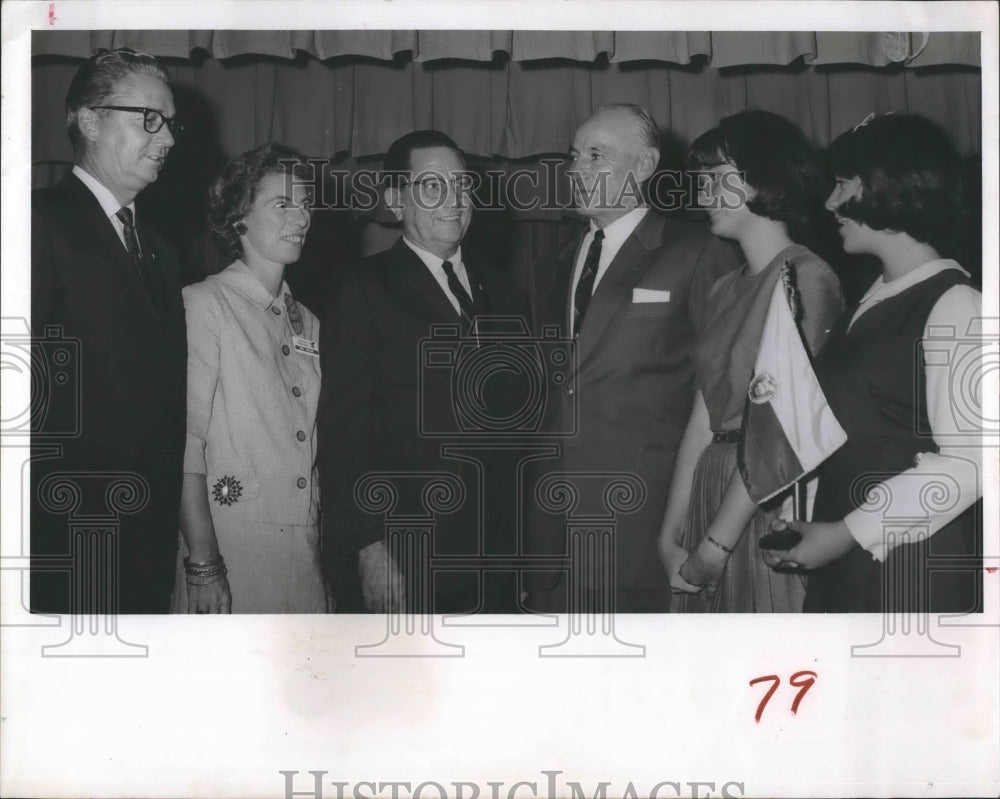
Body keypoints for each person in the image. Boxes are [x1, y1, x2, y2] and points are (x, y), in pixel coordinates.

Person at [762, 113, 984, 613]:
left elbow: (972, 466)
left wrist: (845, 533)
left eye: (842, 184)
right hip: (855, 566)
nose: (828, 203)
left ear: (890, 185)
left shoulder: (957, 305)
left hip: (914, 574)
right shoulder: (872, 297)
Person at [525, 104, 741, 613]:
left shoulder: (696, 250)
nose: (575, 171)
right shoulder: (552, 263)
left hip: (644, 524)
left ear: (643, 166)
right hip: (551, 534)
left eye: (596, 156)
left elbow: (724, 397)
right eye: (573, 156)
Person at [317, 130, 527, 614]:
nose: (453, 201)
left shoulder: (505, 291)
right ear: (395, 201)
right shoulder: (363, 288)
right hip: (408, 554)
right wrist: (368, 547)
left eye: (461, 184)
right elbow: (342, 434)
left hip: (497, 557)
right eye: (432, 186)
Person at [656, 110, 844, 612]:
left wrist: (716, 545)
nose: (700, 197)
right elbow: (703, 417)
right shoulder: (724, 287)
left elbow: (781, 430)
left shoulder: (807, 277)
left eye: (716, 181)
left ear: (766, 176)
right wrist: (671, 532)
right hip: (712, 490)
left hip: (764, 496)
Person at [31, 49, 186, 614]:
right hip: (60, 545)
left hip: (143, 550)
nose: (167, 138)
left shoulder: (163, 254)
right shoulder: (36, 224)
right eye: (149, 118)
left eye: (170, 123)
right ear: (90, 120)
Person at [170, 143, 326, 614]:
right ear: (239, 216)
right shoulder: (204, 303)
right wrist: (203, 564)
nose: (301, 218)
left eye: (305, 204)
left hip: (303, 556)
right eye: (282, 204)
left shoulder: (309, 322)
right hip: (228, 554)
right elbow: (185, 445)